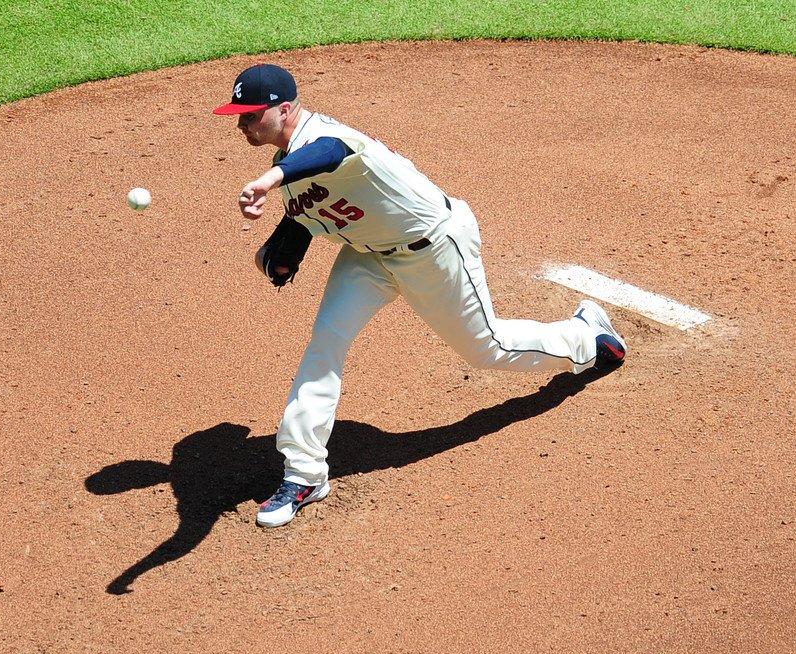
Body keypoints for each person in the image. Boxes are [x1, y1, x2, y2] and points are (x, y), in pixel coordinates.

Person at [213, 63, 627, 528]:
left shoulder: (331, 138)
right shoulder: (288, 170)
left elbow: (328, 156)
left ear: (283, 109)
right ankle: (304, 473)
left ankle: (587, 337)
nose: (242, 124)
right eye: (239, 116)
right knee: (326, 342)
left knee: (487, 349)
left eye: (249, 115)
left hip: (433, 246)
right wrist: (280, 252)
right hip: (368, 257)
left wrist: (268, 182)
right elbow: (305, 215)